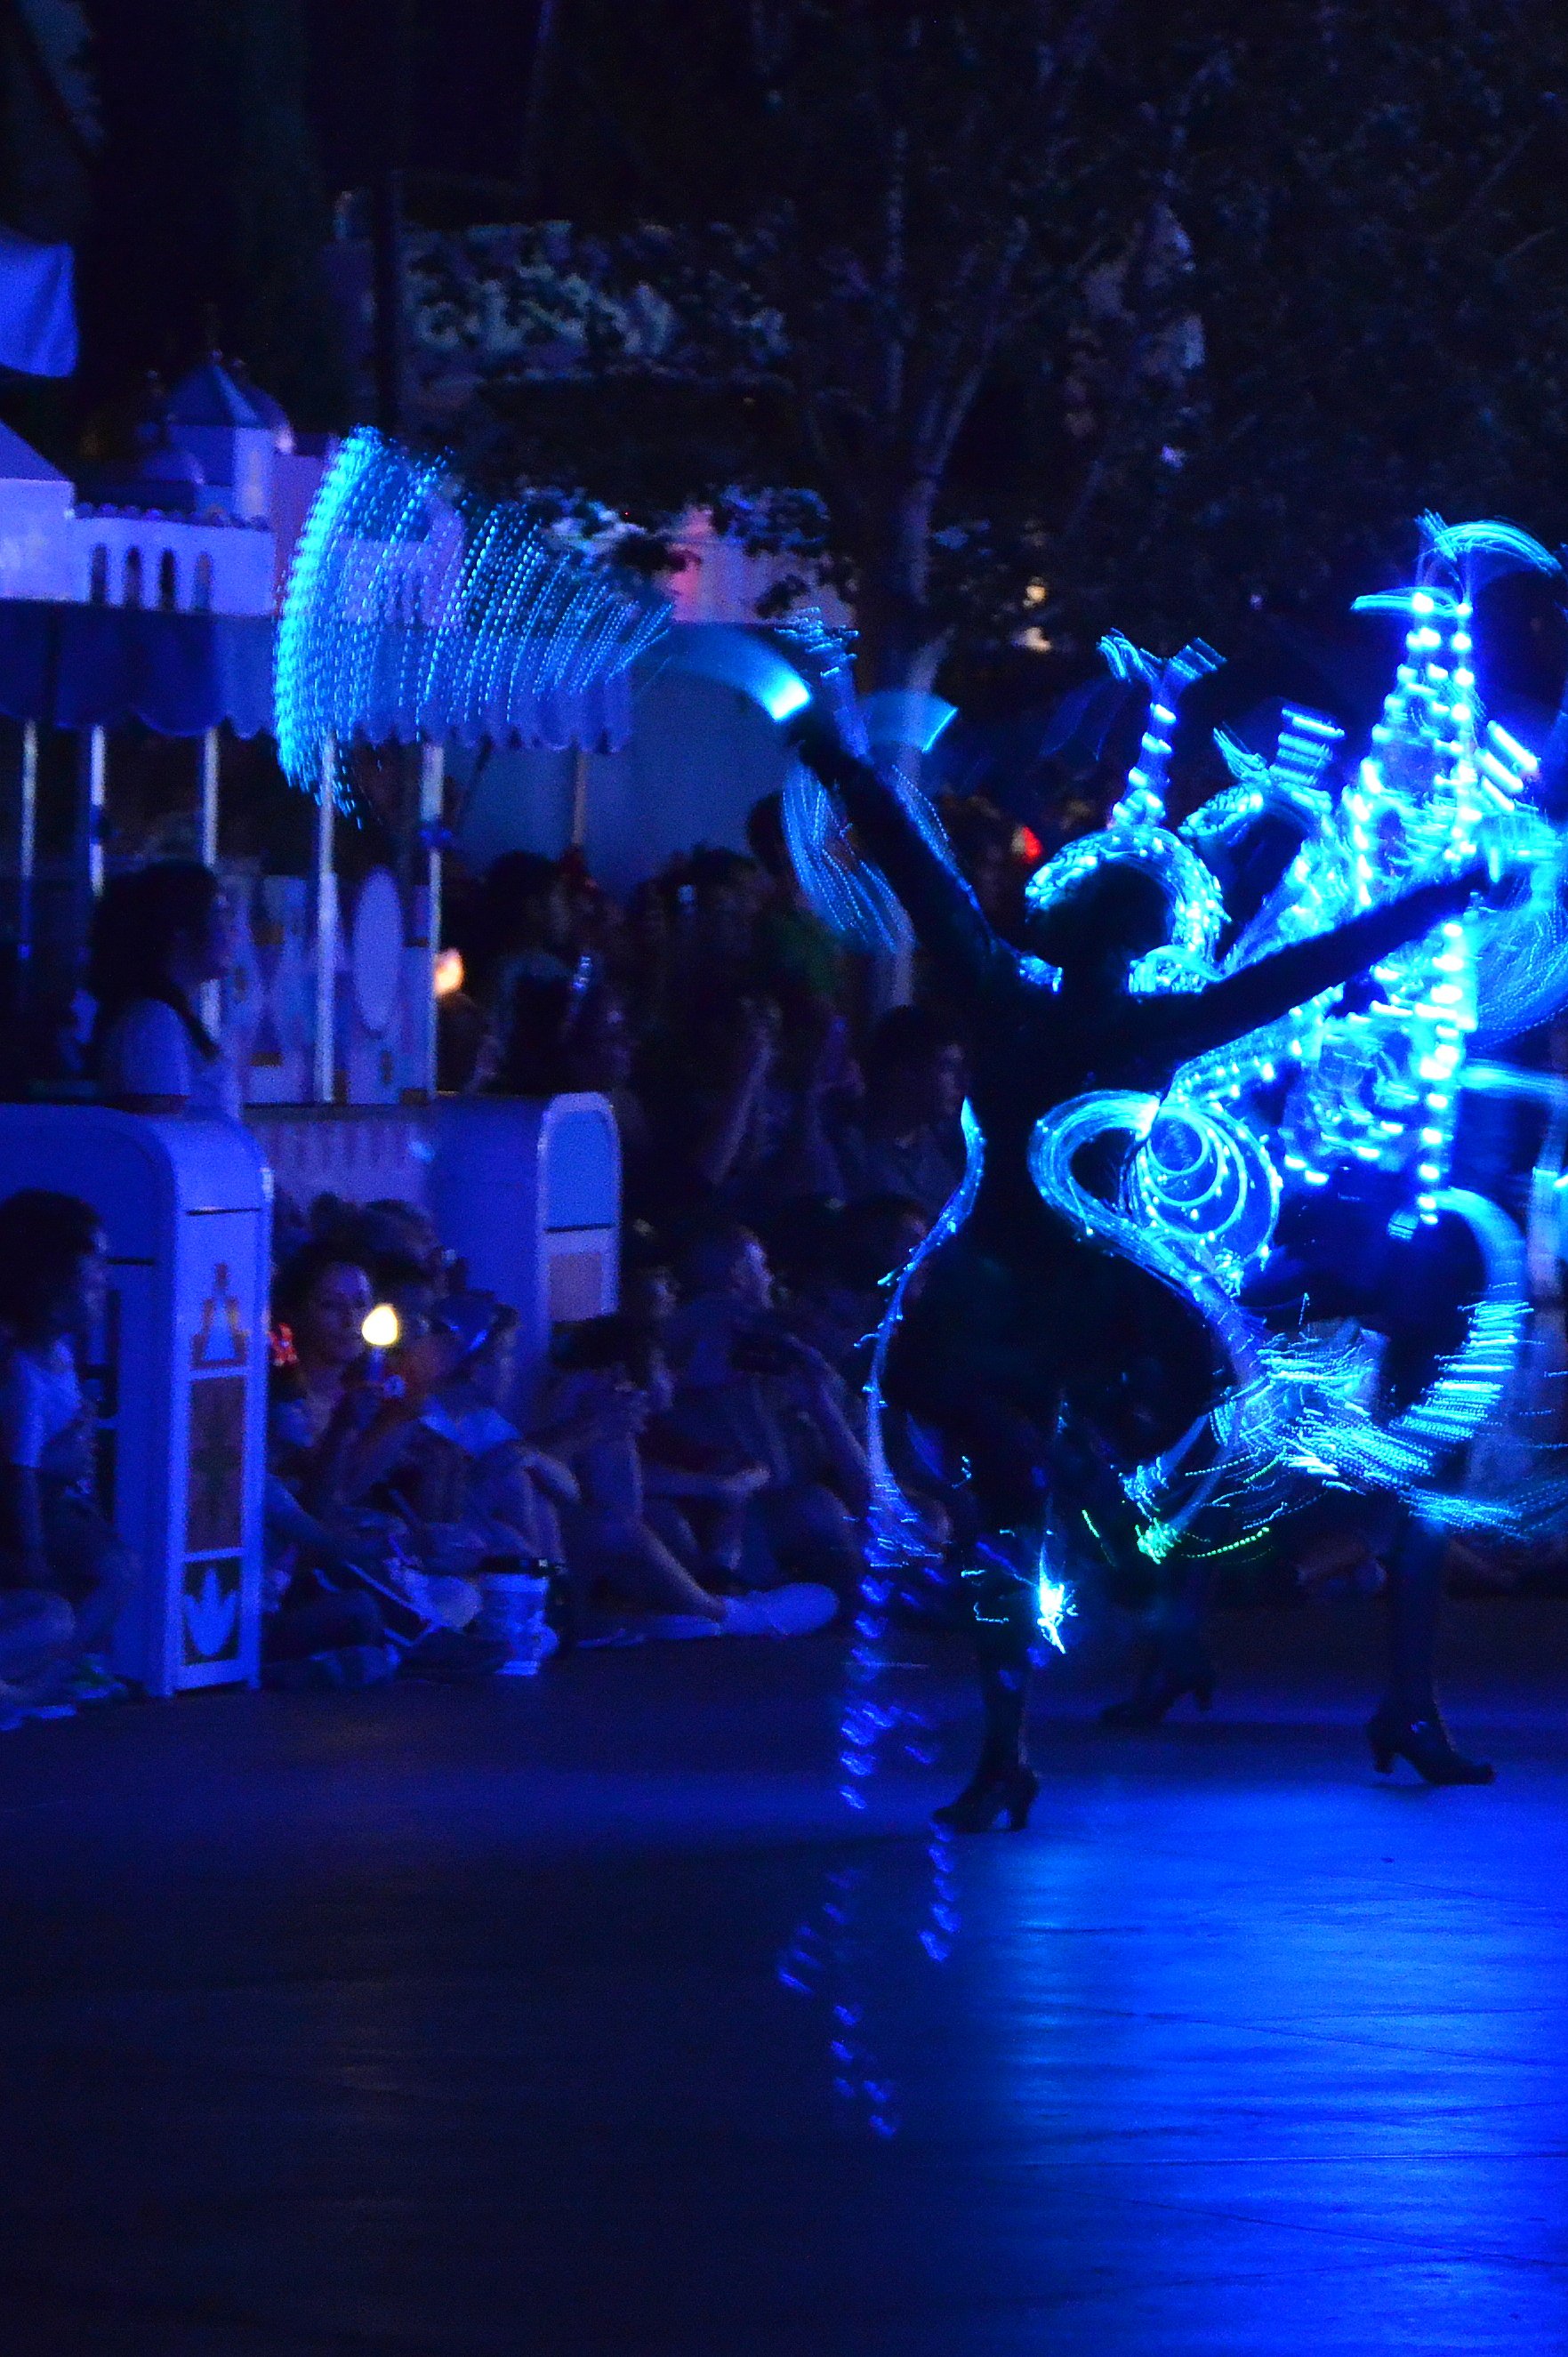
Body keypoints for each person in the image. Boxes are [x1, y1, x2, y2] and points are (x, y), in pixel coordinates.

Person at [795, 704, 1520, 1830]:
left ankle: (1060, 1692)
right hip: (1020, 1299)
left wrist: (1441, 896)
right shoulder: (1055, 1006)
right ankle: (1012, 1740)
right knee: (1016, 1510)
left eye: (1123, 915)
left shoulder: (1082, 1012)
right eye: (1109, 911)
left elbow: (1307, 967)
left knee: (1080, 1499)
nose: (1112, 929)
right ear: (1087, 928)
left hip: (1065, 1297)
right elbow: (921, 876)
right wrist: (849, 775)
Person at [536, 1315, 836, 1637]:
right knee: (635, 1522)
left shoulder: (647, 1420)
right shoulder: (583, 1409)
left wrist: (724, 1486)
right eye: (663, 1365)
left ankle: (710, 1588)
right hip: (567, 1562)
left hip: (609, 1562)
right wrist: (710, 1486)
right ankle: (719, 1612)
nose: (672, 1374)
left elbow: (748, 1467)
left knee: (664, 1513)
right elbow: (615, 1508)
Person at [0, 1190, 134, 1701]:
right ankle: (44, 1681)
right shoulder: (24, 1375)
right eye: (94, 1267)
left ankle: (43, 1678)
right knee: (105, 1576)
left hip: (62, 1504)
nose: (105, 1280)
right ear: (49, 1282)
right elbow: (21, 1471)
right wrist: (33, 1552)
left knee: (111, 1573)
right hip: (45, 1511)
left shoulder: (55, 1353)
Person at [89, 860, 239, 1116]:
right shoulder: (155, 1021)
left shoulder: (163, 1018)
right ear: (180, 929)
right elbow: (162, 1129)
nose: (233, 931)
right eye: (219, 916)